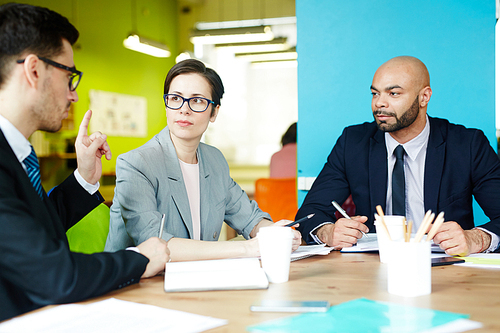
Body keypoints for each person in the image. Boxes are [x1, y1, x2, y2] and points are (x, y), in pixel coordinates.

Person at [0, 3, 170, 321]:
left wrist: (84, 178)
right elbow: (55, 275)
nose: (74, 95)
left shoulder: (15, 152)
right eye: (70, 76)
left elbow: (29, 231)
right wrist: (139, 258)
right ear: (34, 70)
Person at [296, 56, 500, 256]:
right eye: (375, 94)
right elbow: (310, 212)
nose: (379, 104)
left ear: (424, 97)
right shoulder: (353, 142)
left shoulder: (468, 144)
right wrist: (328, 232)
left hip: (447, 266)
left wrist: (477, 239)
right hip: (374, 266)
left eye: (393, 93)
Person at [105, 59, 302, 260]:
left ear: (214, 112)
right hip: (139, 286)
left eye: (197, 100)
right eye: (175, 98)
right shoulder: (137, 164)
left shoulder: (214, 160)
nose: (184, 109)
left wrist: (274, 232)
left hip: (196, 279)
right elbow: (154, 243)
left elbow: (249, 217)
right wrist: (249, 248)